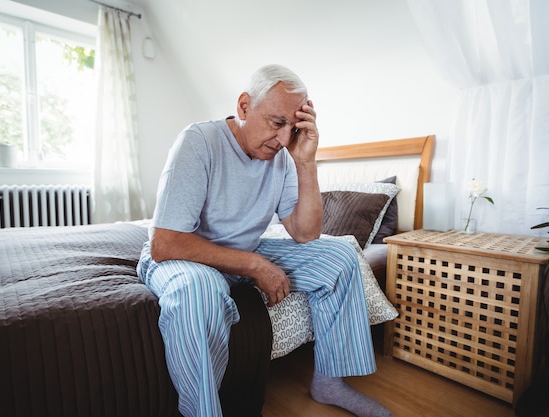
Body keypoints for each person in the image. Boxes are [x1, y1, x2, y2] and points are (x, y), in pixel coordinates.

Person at [137, 64, 393, 417]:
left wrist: (306, 163)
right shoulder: (199, 141)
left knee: (342, 253)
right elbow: (165, 243)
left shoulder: (283, 156)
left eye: (294, 127)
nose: (284, 139)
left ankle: (330, 383)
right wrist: (255, 265)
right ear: (244, 106)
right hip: (186, 256)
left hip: (244, 247)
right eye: (277, 123)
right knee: (197, 294)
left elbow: (305, 233)